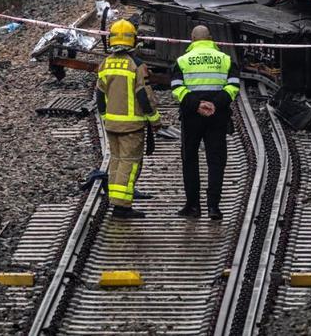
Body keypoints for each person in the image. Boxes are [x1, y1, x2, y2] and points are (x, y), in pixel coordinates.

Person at [171, 24, 240, 220]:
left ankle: (193, 206)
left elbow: (177, 88)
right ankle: (213, 208)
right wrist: (214, 104)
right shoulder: (225, 60)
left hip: (191, 117)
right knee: (216, 161)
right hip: (217, 117)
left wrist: (196, 105)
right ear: (210, 38)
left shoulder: (182, 60)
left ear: (192, 39)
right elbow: (234, 86)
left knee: (190, 160)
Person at [95, 18, 159, 218]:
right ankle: (122, 206)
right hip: (131, 126)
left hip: (112, 125)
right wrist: (155, 119)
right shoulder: (136, 65)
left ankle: (116, 198)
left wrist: (106, 117)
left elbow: (99, 95)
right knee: (129, 164)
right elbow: (144, 95)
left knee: (116, 161)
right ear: (134, 39)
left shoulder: (105, 63)